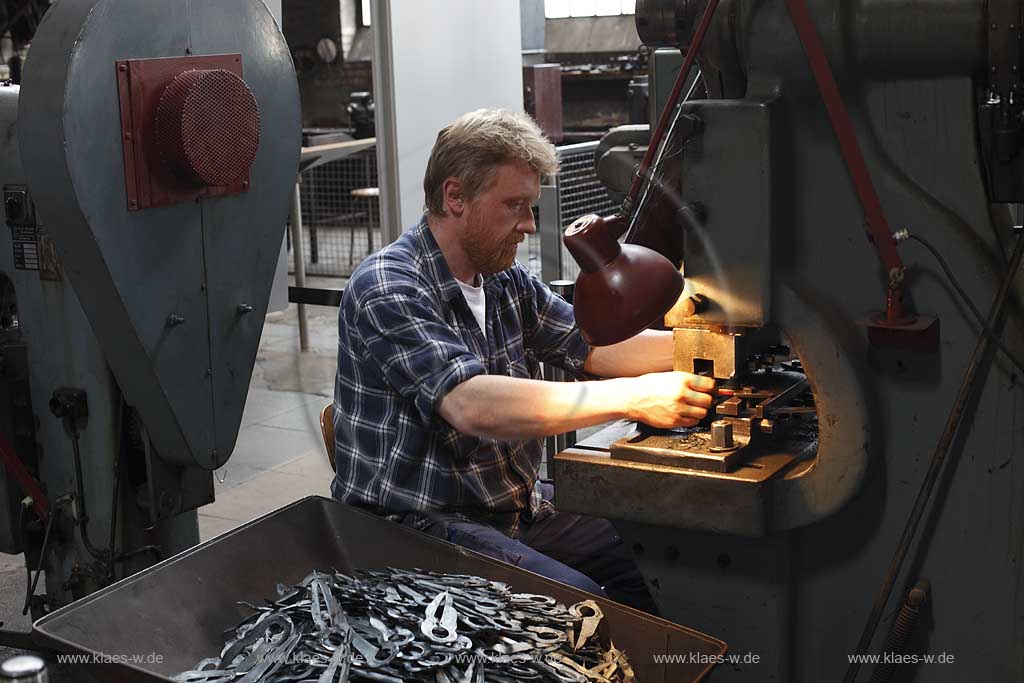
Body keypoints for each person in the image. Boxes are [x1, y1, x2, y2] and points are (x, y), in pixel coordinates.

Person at [331, 109, 716, 611]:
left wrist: (710, 346)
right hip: (416, 526)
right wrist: (635, 398)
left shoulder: (502, 279)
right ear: (455, 198)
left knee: (663, 563)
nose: (530, 225)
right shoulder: (388, 285)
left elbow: (592, 346)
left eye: (531, 206)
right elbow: (471, 404)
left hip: (515, 509)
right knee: (582, 610)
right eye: (515, 205)